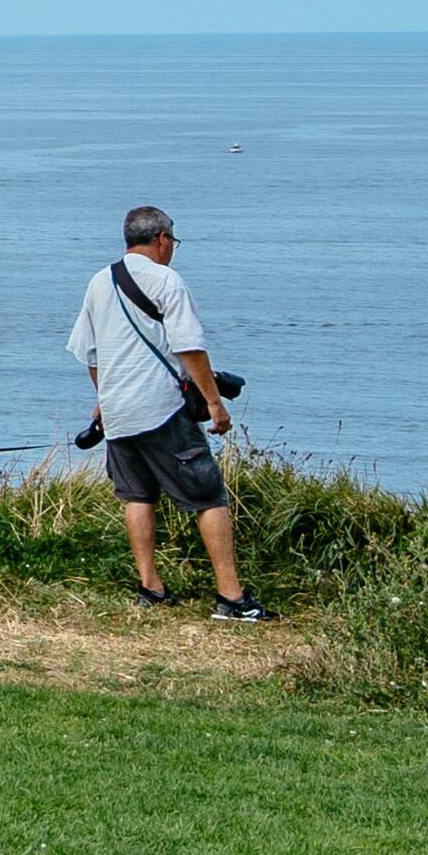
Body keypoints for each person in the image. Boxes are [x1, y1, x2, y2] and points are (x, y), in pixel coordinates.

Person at [69, 204, 272, 620]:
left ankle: (150, 587)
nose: (173, 249)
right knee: (208, 494)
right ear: (162, 239)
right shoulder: (167, 280)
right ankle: (231, 598)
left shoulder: (99, 281)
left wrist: (105, 397)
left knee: (137, 495)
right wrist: (214, 402)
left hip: (119, 412)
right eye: (173, 241)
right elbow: (189, 347)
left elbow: (89, 352)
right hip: (161, 409)